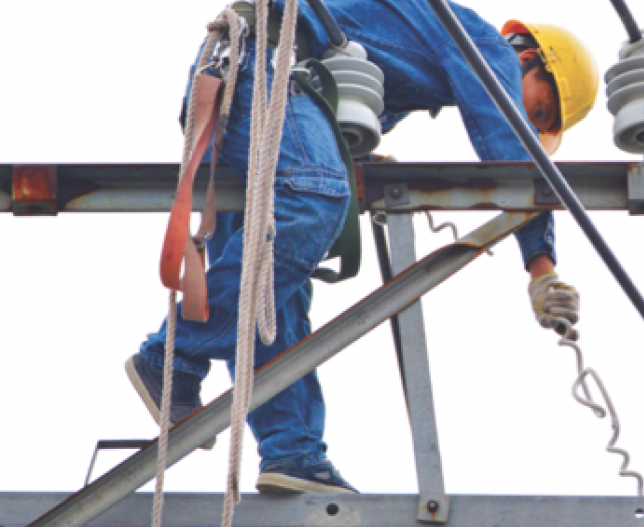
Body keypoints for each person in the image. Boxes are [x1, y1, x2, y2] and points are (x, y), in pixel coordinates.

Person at [125, 0, 599, 495]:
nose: (529, 117)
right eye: (539, 107)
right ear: (529, 60)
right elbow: (511, 148)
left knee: (275, 283)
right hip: (262, 68)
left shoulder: (396, 68)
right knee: (315, 197)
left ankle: (293, 452)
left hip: (244, 82)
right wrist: (541, 266)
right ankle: (172, 357)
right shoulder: (484, 45)